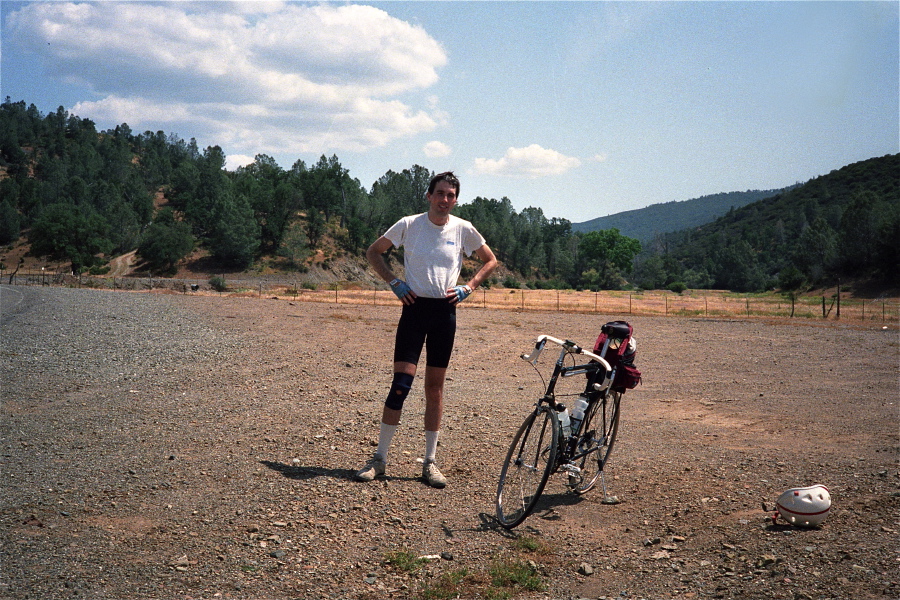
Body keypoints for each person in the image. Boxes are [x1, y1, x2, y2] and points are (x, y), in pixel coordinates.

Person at [355, 171, 497, 488]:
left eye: (451, 195)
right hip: (414, 310)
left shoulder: (463, 228)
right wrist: (394, 281)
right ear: (429, 196)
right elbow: (373, 251)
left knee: (434, 391)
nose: (445, 199)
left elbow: (490, 260)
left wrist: (469, 287)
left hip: (444, 313)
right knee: (401, 385)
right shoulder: (409, 225)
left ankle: (429, 463)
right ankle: (379, 459)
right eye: (440, 193)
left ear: (456, 200)